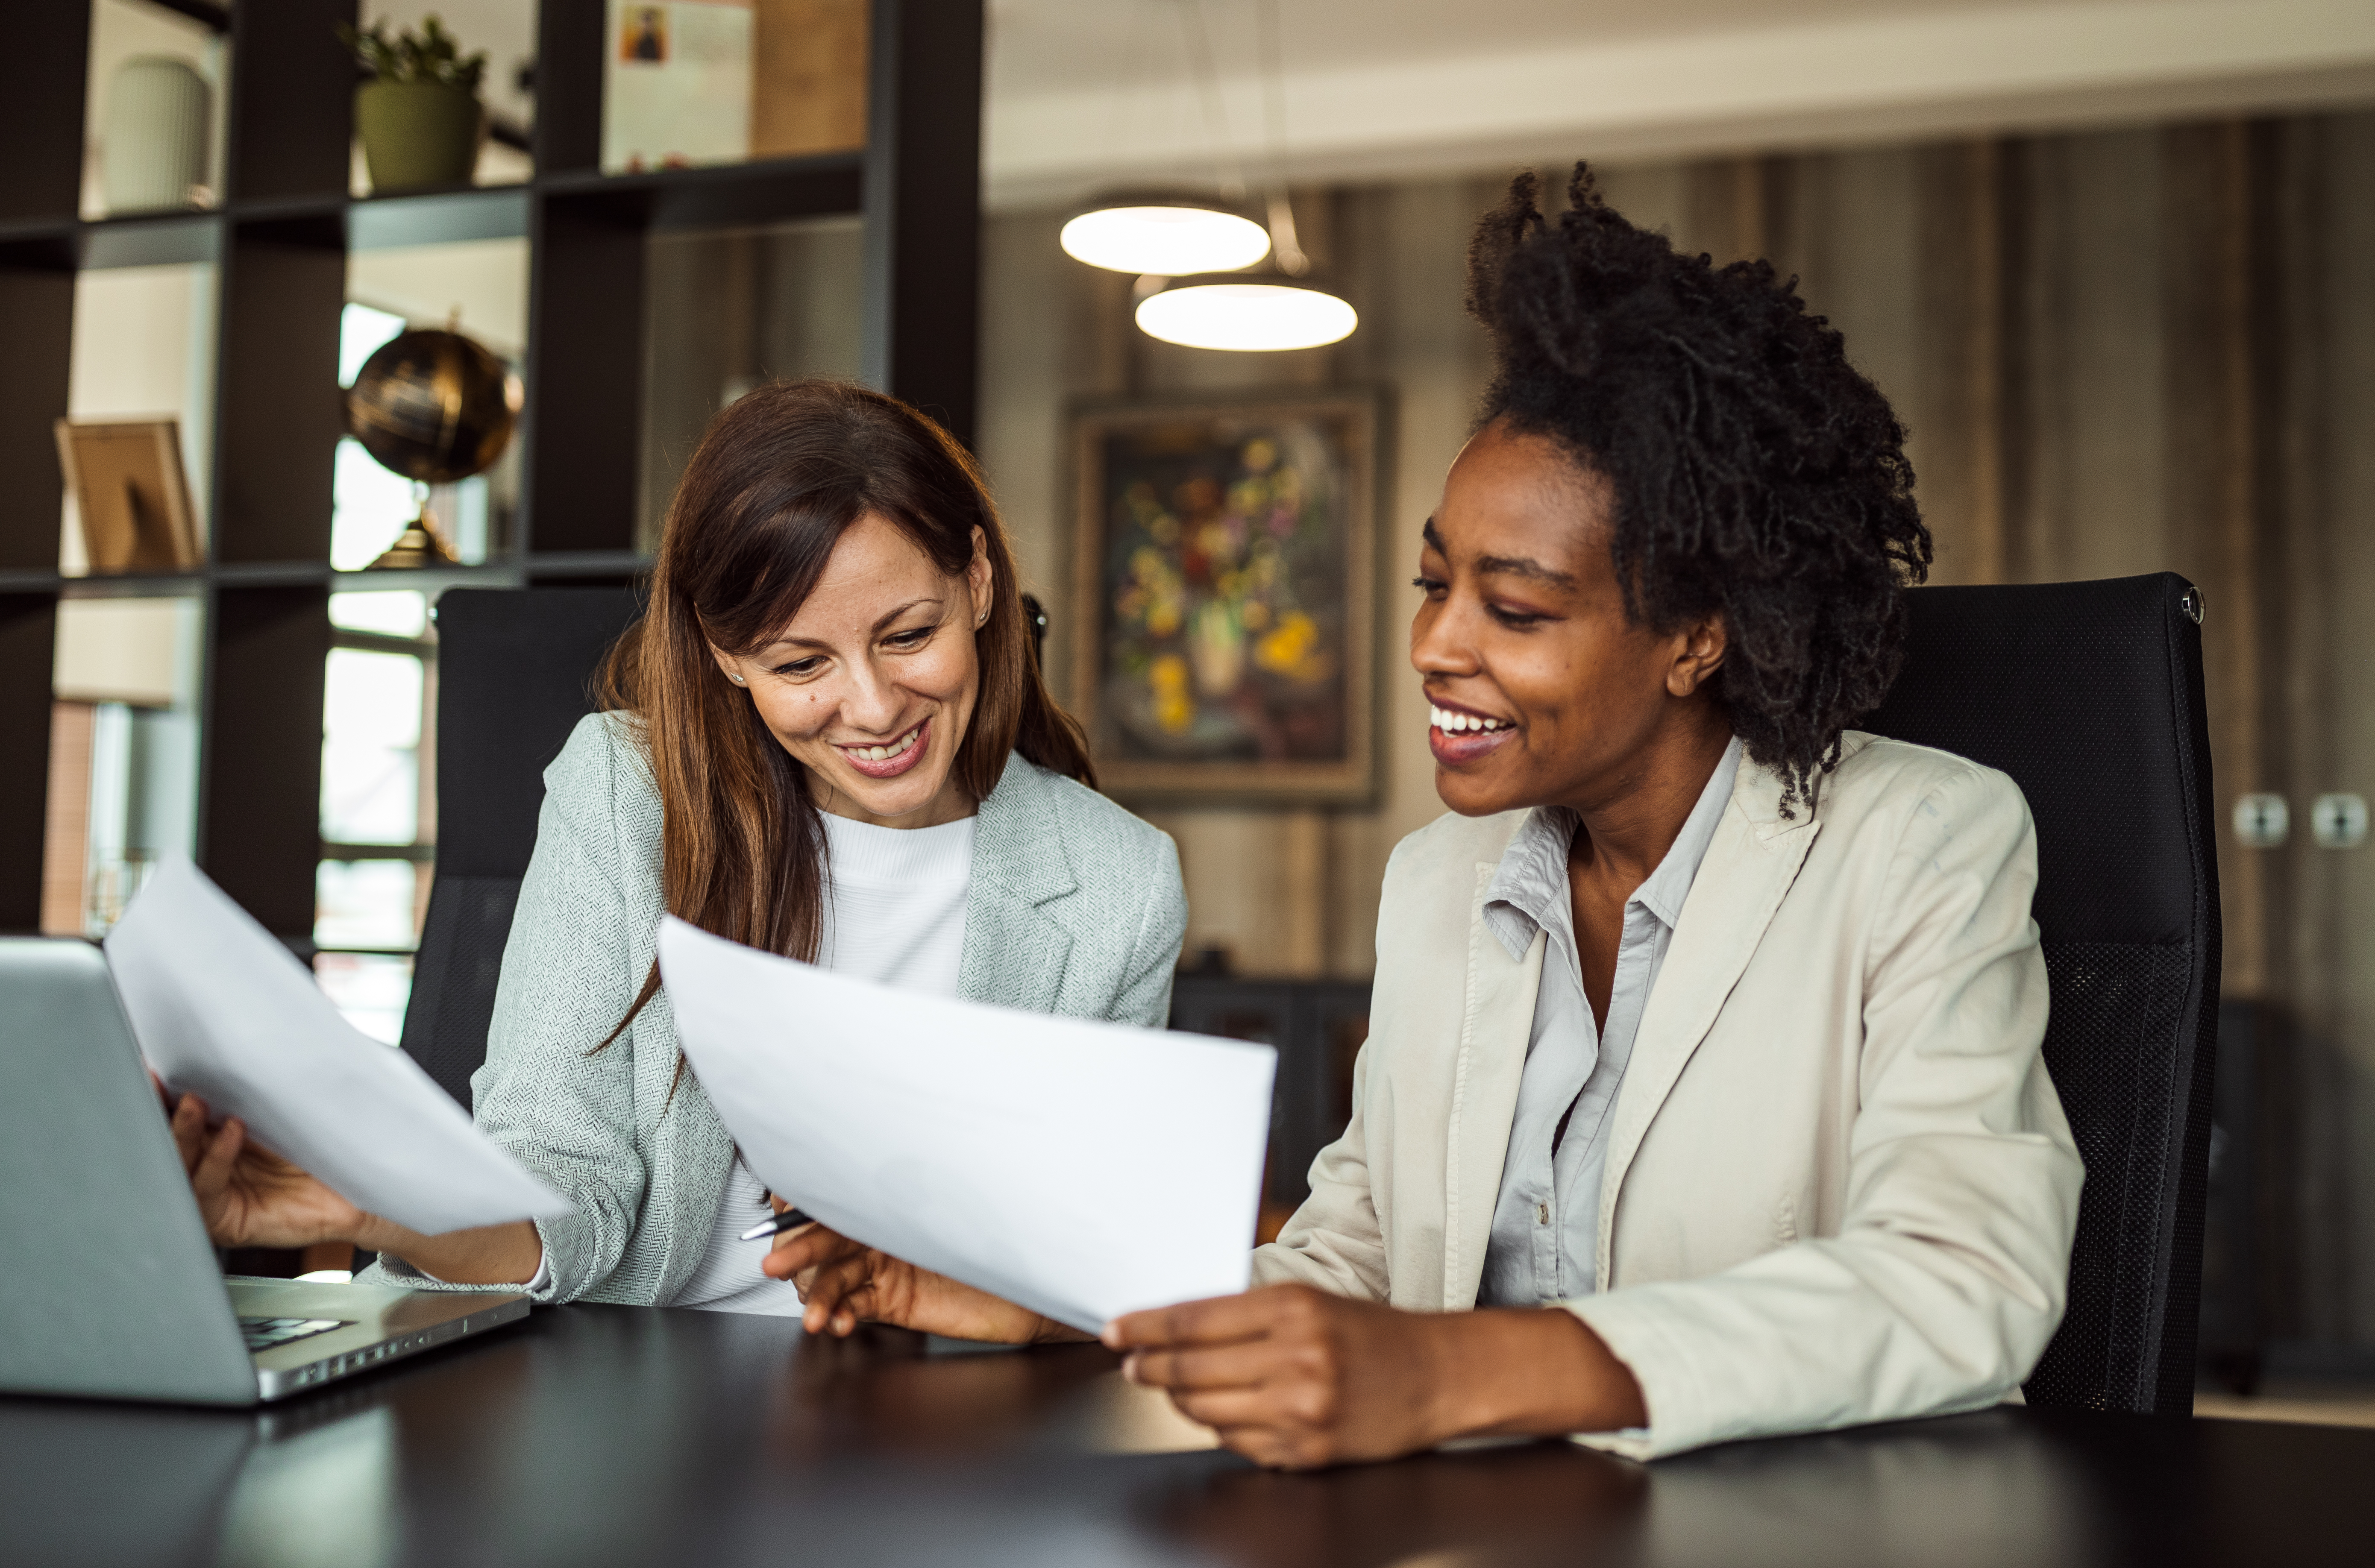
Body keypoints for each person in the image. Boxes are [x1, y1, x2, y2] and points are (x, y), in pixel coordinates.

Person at [794, 169, 2082, 1463]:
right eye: (1432, 583)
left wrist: (1456, 1372)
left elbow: (1966, 1275)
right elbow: (1360, 1243)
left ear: (1699, 636)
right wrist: (1069, 1305)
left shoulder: (1922, 842)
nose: (1434, 645)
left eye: (1515, 610)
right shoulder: (1441, 877)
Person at [172, 380, 1187, 1324]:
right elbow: (559, 1171)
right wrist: (375, 1203)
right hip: (632, 1383)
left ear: (976, 581)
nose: (874, 708)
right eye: (802, 662)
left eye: (909, 634)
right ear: (726, 653)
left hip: (935, 1403)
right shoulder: (627, 793)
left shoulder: (1118, 883)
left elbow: (1088, 1258)